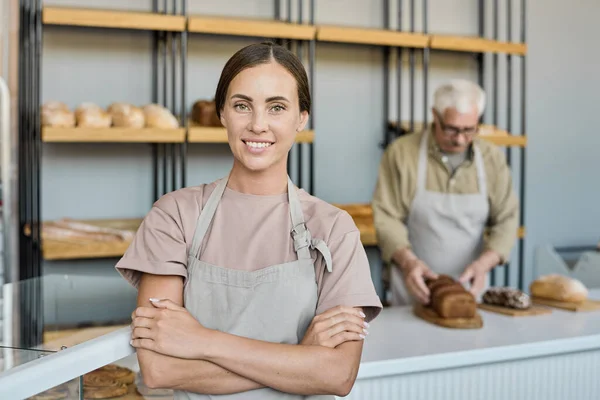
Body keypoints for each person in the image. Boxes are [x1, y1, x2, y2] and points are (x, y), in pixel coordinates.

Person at [115, 42, 382, 399]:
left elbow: (337, 374)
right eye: (242, 106)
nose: (258, 125)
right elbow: (160, 369)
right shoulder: (175, 215)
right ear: (222, 113)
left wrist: (201, 341)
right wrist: (301, 356)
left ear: (302, 117)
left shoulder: (333, 228)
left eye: (276, 107)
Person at [372, 79, 519, 306]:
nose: (460, 139)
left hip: (470, 290)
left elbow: (507, 220)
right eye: (451, 129)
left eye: (469, 130)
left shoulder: (492, 159)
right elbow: (386, 218)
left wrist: (483, 265)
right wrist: (409, 263)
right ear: (434, 115)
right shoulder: (401, 153)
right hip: (413, 287)